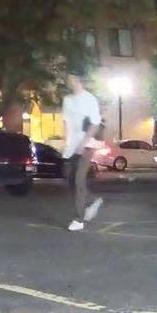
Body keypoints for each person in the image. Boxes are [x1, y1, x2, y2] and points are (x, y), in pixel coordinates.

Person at [62, 69, 104, 231]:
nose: (69, 81)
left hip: (87, 143)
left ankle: (79, 219)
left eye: (71, 78)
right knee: (70, 178)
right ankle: (92, 200)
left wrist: (84, 142)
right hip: (72, 144)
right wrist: (67, 143)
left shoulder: (89, 99)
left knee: (79, 178)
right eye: (68, 78)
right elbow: (66, 123)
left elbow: (95, 124)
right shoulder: (68, 99)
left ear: (79, 80)